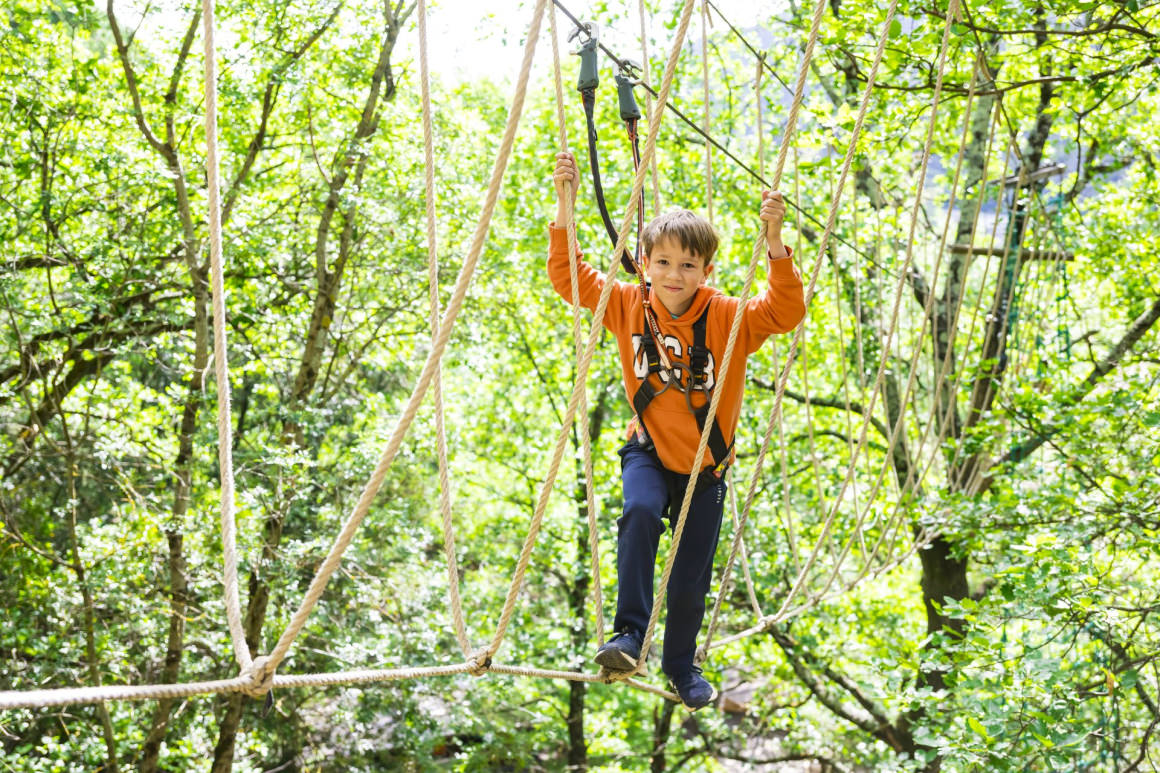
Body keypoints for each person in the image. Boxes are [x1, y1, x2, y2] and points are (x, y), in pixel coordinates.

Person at [547, 151, 806, 710]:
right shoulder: (625, 304)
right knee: (638, 514)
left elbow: (784, 312)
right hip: (647, 452)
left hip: (705, 470)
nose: (673, 276)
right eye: (662, 262)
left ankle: (681, 665)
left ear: (707, 272)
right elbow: (570, 277)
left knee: (690, 576)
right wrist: (565, 208)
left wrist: (776, 244)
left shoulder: (727, 317)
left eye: (688, 266)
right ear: (643, 263)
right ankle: (628, 636)